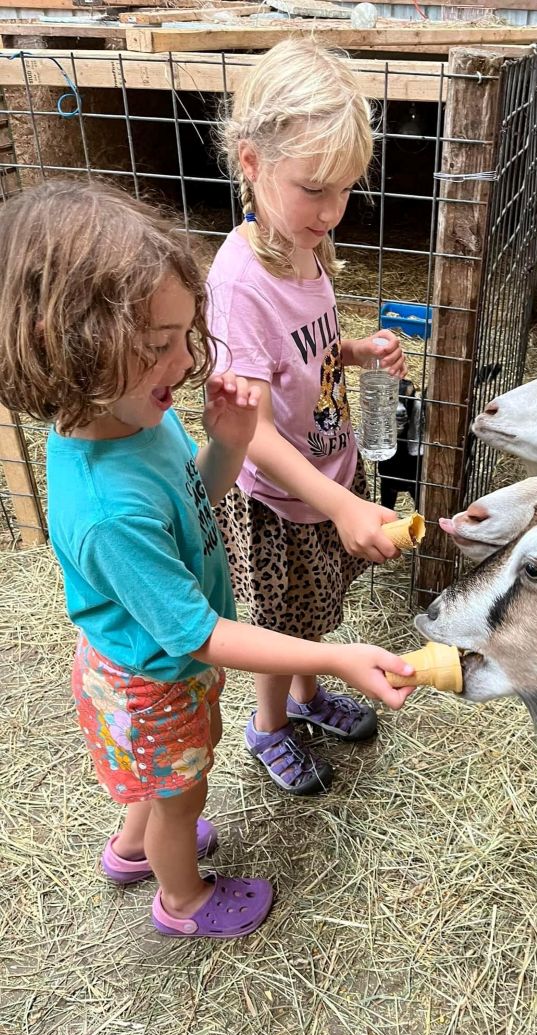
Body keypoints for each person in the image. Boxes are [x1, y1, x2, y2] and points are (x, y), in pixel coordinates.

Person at [0, 180, 413, 940]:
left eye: (185, 336)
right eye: (159, 345)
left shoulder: (126, 423)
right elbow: (196, 632)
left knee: (160, 788)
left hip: (151, 668)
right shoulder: (106, 511)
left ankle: (133, 847)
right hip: (151, 682)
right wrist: (336, 654)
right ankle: (181, 898)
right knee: (181, 797)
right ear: (70, 345)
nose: (187, 362)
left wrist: (226, 440)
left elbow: (195, 494)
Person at [207, 40, 408, 796]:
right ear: (252, 162)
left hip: (326, 473)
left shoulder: (304, 245)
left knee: (313, 610)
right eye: (315, 188)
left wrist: (353, 351)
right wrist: (340, 502)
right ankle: (269, 728)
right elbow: (249, 427)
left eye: (347, 190)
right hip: (279, 499)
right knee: (283, 623)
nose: (332, 212)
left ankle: (306, 690)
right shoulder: (239, 283)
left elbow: (308, 350)